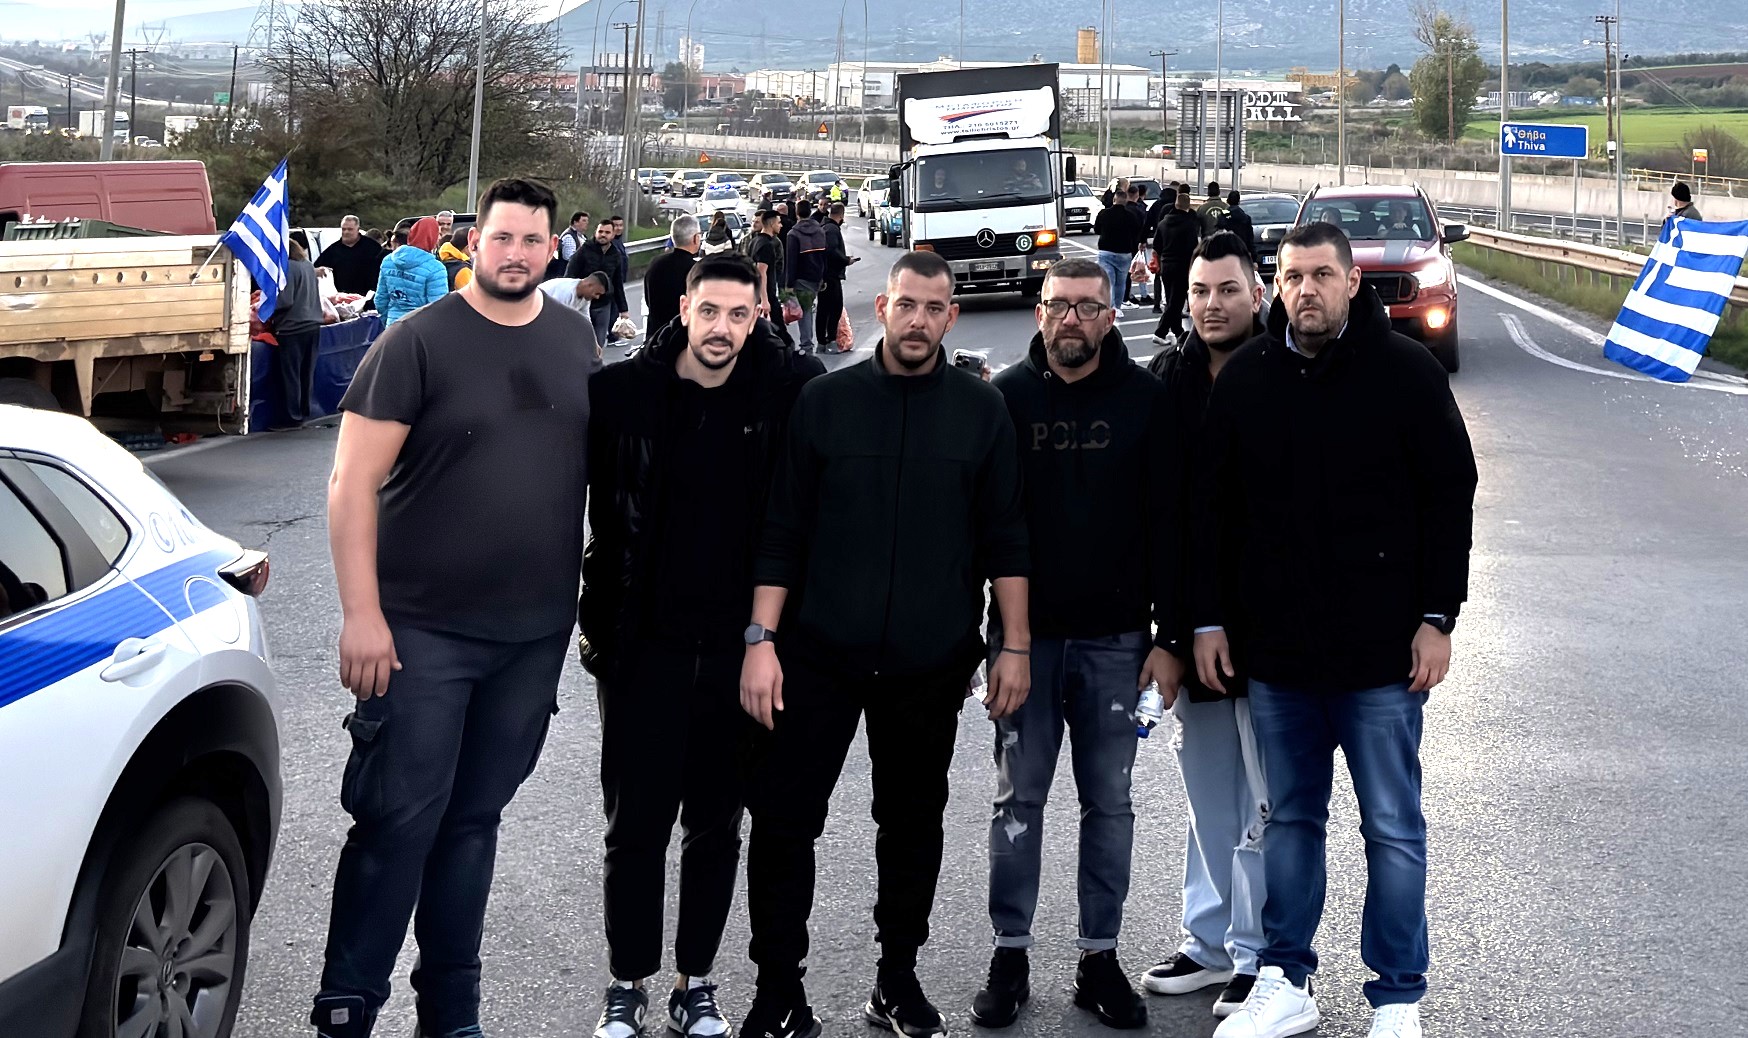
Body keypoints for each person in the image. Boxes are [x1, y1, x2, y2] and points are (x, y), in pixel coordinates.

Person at [311, 177, 594, 1038]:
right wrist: (362, 615)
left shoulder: (575, 339)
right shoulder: (418, 342)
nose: (516, 253)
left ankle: (452, 1015)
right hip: (420, 634)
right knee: (397, 822)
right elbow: (349, 483)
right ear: (475, 243)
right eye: (501, 237)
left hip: (531, 637)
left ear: (551, 248)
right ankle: (347, 1010)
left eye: (532, 240)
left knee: (473, 824)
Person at [738, 250, 1032, 1038]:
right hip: (816, 655)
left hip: (929, 663)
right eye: (907, 305)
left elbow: (1006, 537)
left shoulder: (981, 411)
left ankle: (897, 980)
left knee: (911, 825)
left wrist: (1014, 645)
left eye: (934, 309)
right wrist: (761, 640)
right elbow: (782, 529)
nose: (918, 321)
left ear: (951, 317)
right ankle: (778, 990)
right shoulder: (825, 401)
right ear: (883, 307)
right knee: (784, 821)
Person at [1197, 221, 1477, 1038]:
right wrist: (1209, 620)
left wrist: (1438, 618)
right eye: (1292, 277)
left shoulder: (1407, 373)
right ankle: (1286, 979)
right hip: (1279, 656)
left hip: (1384, 656)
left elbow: (1449, 497)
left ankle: (1398, 998)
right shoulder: (1247, 379)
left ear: (1352, 283)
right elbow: (1211, 514)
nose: (1306, 291)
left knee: (1392, 827)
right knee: (1289, 823)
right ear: (1276, 286)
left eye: (1322, 275)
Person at [582, 255, 823, 1038]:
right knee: (635, 826)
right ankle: (628, 981)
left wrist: (772, 639)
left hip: (738, 651)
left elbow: (808, 516)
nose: (723, 328)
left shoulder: (788, 392)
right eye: (710, 311)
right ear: (683, 309)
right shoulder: (622, 394)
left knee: (716, 826)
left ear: (759, 317)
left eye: (739, 315)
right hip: (640, 647)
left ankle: (697, 981)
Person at [970, 256, 1183, 1032]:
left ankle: (1100, 958)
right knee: (1017, 800)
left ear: (1110, 314)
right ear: (1040, 312)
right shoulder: (1006, 400)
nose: (1072, 319)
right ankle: (1010, 955)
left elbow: (1173, 525)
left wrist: (1169, 637)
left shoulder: (1147, 402)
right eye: (1059, 305)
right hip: (1024, 645)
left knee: (1110, 804)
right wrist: (992, 643)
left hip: (1118, 643)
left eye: (1088, 307)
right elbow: (984, 527)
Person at [1141, 232, 1269, 1021]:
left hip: (1272, 627)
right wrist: (1169, 630)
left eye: (1227, 290)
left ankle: (1262, 954)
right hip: (1192, 626)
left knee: (1266, 802)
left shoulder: (1286, 372)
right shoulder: (1170, 378)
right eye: (1199, 291)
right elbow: (1160, 514)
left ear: (1257, 294)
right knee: (1208, 792)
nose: (1212, 305)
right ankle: (1210, 940)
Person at [269, 238, 326, 428]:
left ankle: (291, 417)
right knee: (306, 373)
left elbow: (285, 301)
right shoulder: (308, 265)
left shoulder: (287, 268)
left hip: (292, 327)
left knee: (291, 375)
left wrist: (266, 307)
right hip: (313, 324)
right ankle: (303, 412)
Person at [568, 220, 630, 351]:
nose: (603, 235)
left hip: (604, 305)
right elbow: (569, 276)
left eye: (607, 232)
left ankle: (596, 364)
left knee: (599, 343)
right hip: (583, 303)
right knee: (581, 342)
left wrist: (623, 309)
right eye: (600, 231)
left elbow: (618, 283)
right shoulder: (584, 250)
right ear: (595, 232)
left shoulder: (615, 254)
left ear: (613, 235)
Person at [374, 217, 448, 326]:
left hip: (393, 326)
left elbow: (380, 300)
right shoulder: (436, 268)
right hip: (421, 329)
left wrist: (388, 322)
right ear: (433, 238)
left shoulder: (388, 261)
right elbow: (438, 309)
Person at [1152, 191, 1204, 345]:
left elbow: (1156, 246)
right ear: (1187, 207)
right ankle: (1160, 332)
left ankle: (1177, 331)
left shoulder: (1163, 223)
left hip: (1166, 266)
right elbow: (1193, 249)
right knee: (1176, 302)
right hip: (1182, 266)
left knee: (1171, 300)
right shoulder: (1189, 225)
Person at [784, 199, 829, 352]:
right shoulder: (820, 231)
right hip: (816, 277)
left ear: (796, 213)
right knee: (808, 309)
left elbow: (791, 261)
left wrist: (789, 284)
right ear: (810, 212)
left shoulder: (793, 234)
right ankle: (808, 344)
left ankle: (806, 345)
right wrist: (823, 277)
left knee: (805, 312)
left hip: (801, 278)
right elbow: (824, 255)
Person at [645, 214, 702, 333]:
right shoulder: (696, 269)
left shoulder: (655, 263)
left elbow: (648, 299)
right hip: (681, 335)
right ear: (695, 238)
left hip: (655, 334)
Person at [815, 201, 858, 351]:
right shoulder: (832, 229)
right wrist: (846, 260)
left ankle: (822, 342)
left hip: (824, 274)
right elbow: (831, 251)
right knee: (834, 308)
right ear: (841, 215)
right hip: (830, 275)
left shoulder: (824, 226)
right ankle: (830, 341)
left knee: (824, 308)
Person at [1093, 187, 1144, 312]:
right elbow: (1137, 231)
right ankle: (1117, 306)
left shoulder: (1104, 214)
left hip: (1106, 251)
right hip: (1124, 252)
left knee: (1109, 281)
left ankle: (1110, 307)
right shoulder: (1130, 216)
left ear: (1114, 200)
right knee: (1121, 283)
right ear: (1125, 201)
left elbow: (1097, 230)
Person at [748, 210, 792, 348]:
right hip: (766, 296)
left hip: (756, 295)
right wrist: (765, 300)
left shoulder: (754, 241)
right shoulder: (766, 245)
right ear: (772, 224)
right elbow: (761, 272)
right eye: (779, 222)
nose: (781, 225)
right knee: (781, 336)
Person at [315, 214, 386, 296]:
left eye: (350, 229)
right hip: (341, 297)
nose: (346, 232)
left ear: (358, 229)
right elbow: (316, 268)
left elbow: (384, 270)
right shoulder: (333, 250)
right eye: (343, 229)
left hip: (368, 296)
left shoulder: (372, 247)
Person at [1217, 191, 1255, 258]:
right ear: (1238, 201)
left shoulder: (1224, 214)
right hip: (1241, 250)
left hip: (1226, 251)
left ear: (1228, 201)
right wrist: (1253, 256)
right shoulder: (1245, 217)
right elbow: (1250, 239)